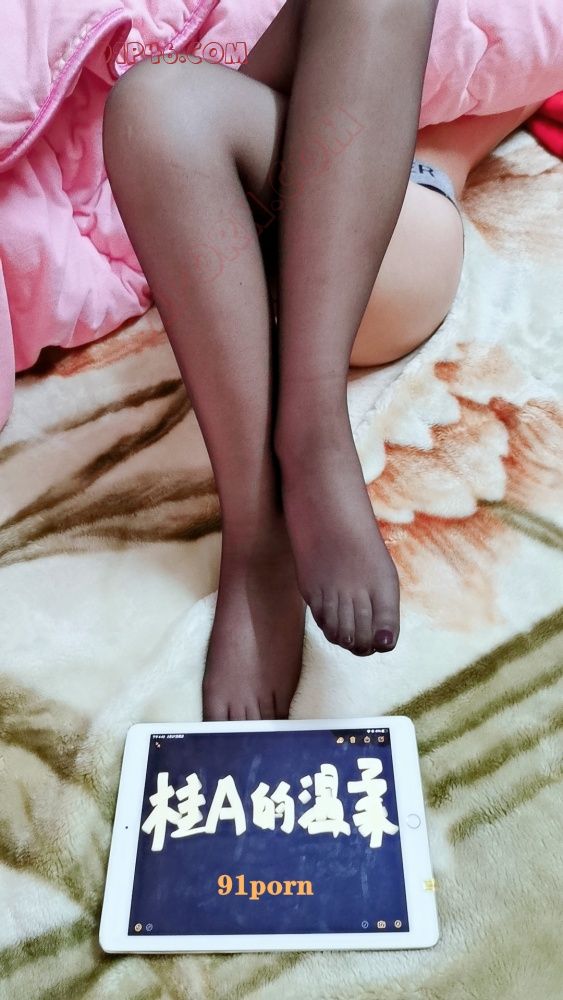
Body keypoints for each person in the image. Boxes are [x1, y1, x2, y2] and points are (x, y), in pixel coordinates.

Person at [101, 0, 548, 721]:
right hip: (236, 236)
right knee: (150, 101)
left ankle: (310, 432)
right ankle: (258, 533)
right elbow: (238, 111)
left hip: (391, 231)